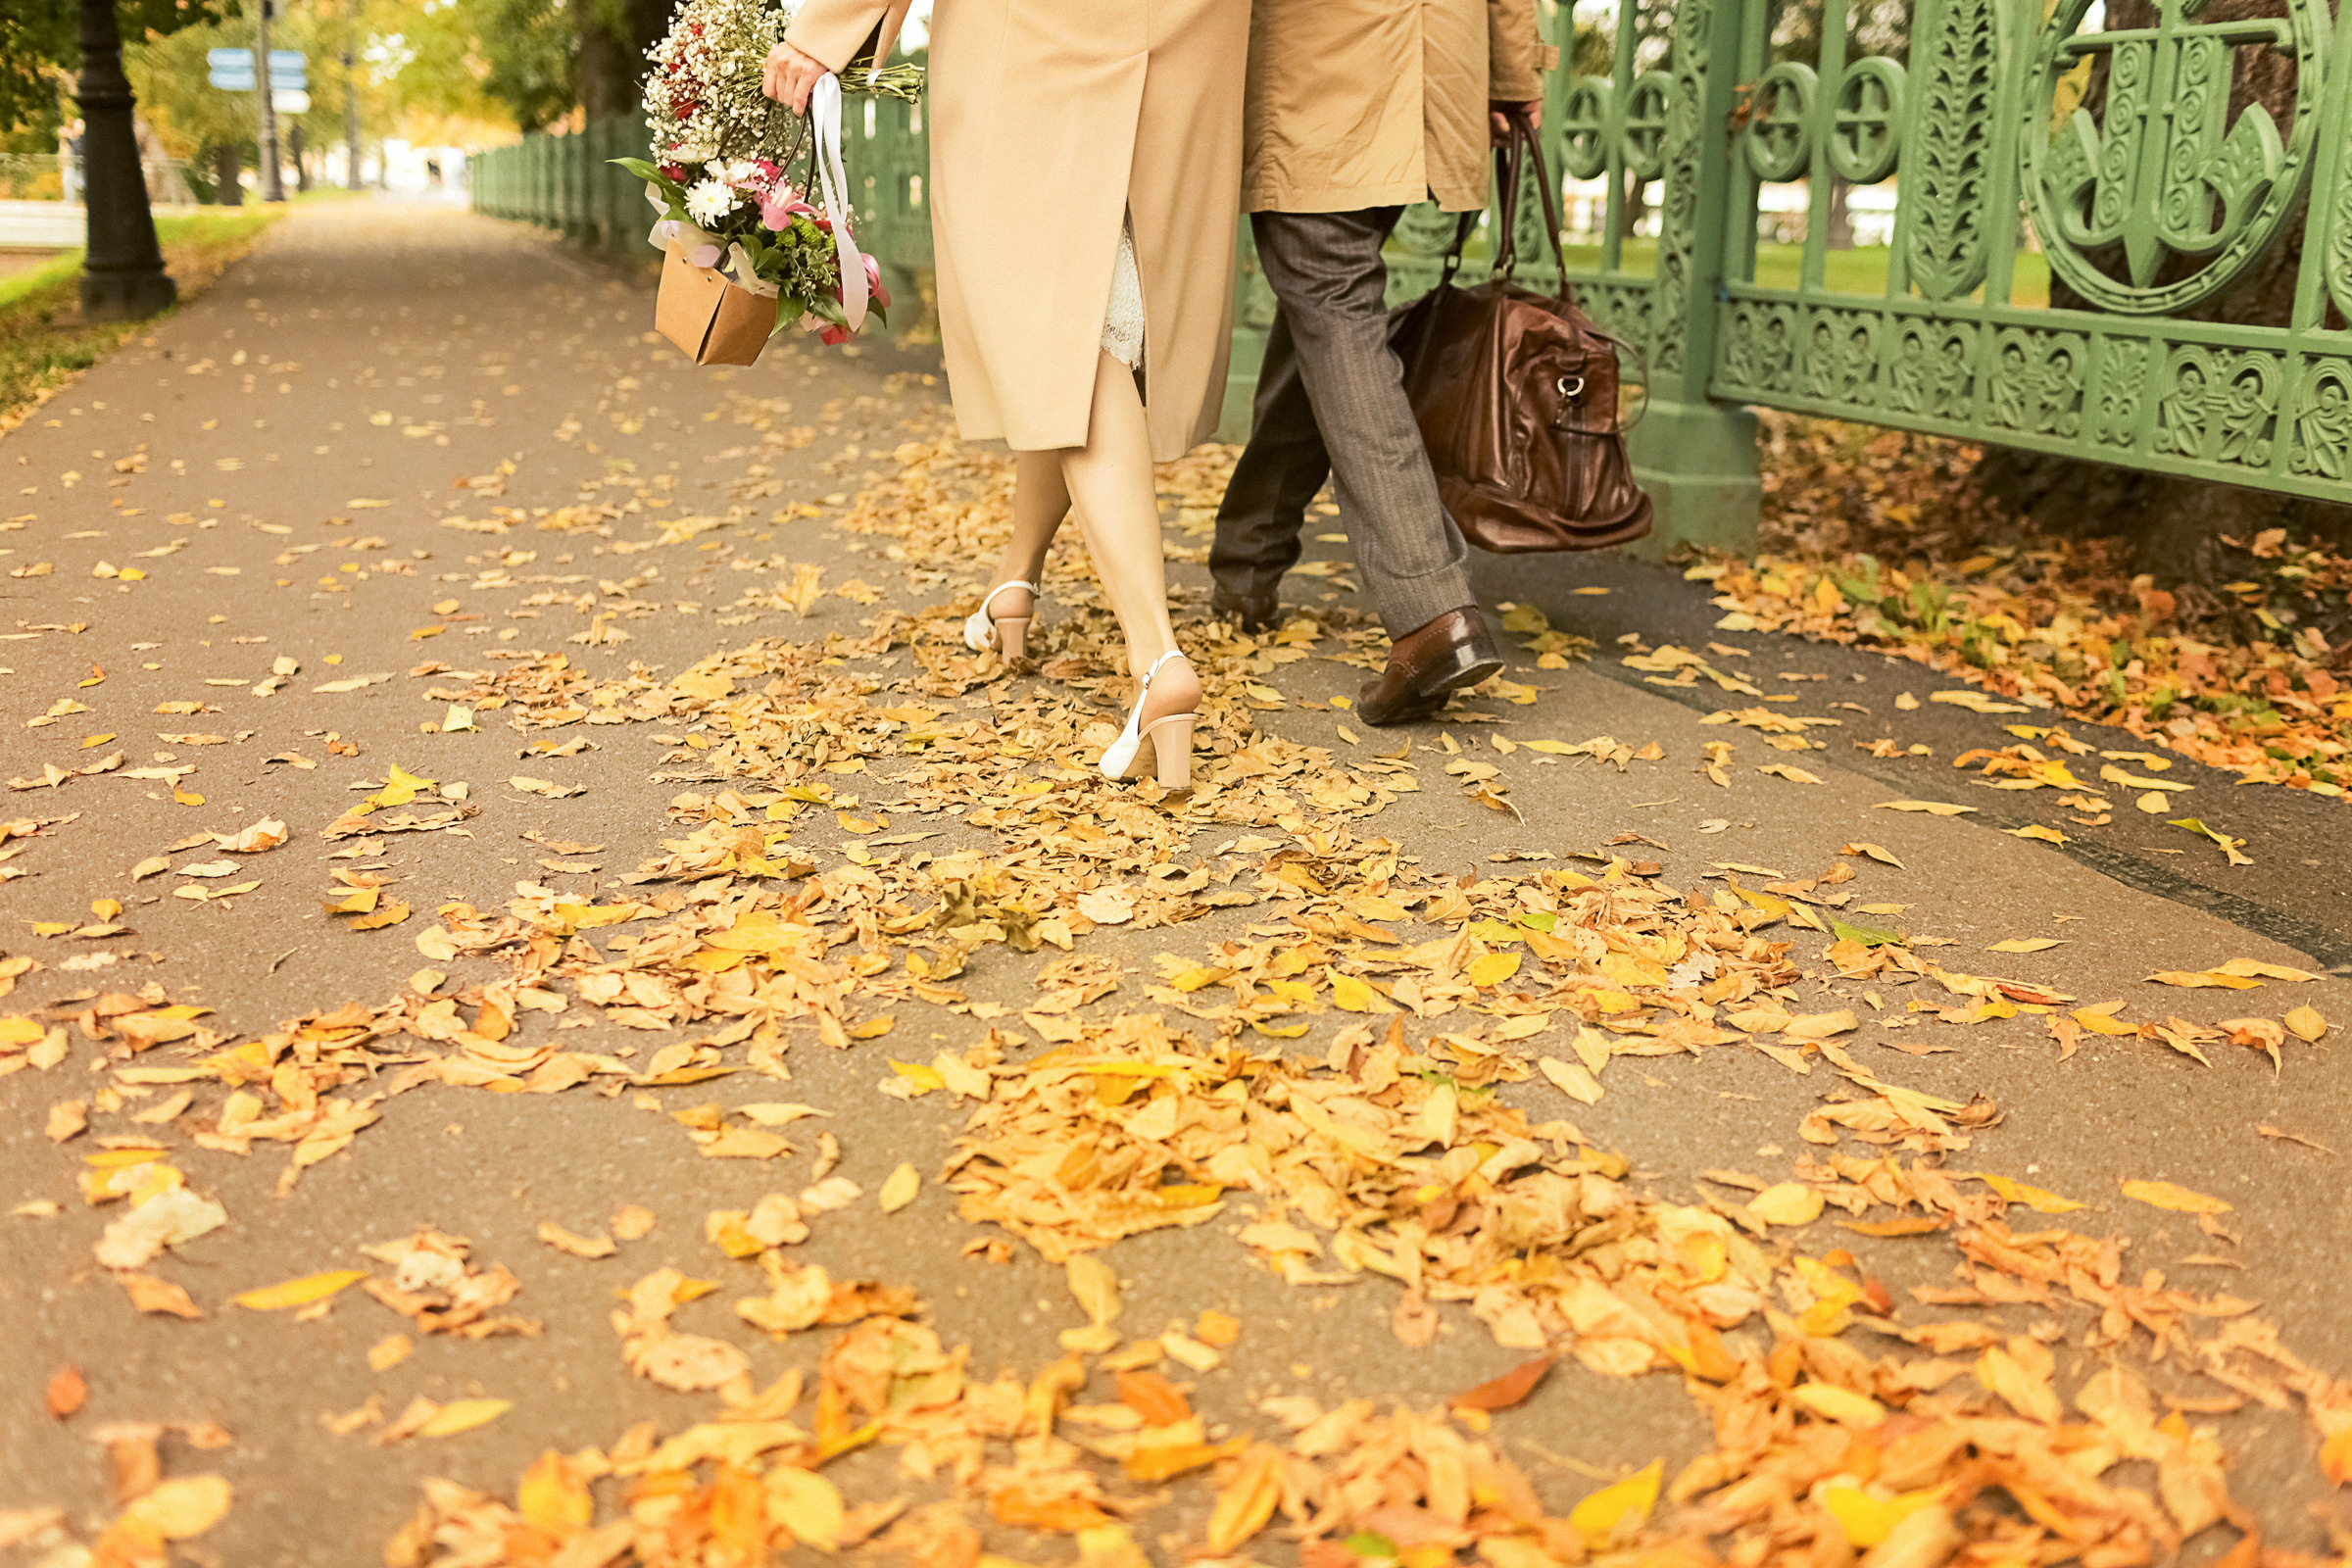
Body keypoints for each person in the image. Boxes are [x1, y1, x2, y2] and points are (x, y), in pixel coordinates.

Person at [765, 0, 1249, 791]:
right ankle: (1015, 578)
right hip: (1192, 31)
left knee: (1056, 320)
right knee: (1087, 303)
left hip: (1033, 35)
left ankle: (1156, 656)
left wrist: (826, 30)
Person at [1210, 0, 1550, 724]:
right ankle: (1246, 561)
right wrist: (1511, 72)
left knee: (1331, 305)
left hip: (1320, 73)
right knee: (1330, 310)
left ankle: (1433, 610)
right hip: (1435, 68)